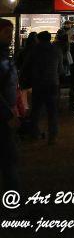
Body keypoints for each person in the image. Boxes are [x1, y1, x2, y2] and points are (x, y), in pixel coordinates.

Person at [28, 31, 62, 144]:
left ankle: (35, 133)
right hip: (53, 83)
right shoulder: (56, 50)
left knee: (36, 110)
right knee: (52, 111)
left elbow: (27, 65)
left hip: (38, 83)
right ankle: (53, 136)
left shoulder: (34, 50)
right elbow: (61, 68)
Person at [0, 19, 19, 190]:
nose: (11, 36)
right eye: (7, 32)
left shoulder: (6, 55)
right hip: (3, 116)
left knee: (10, 158)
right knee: (9, 158)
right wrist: (8, 114)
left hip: (7, 112)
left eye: (11, 32)